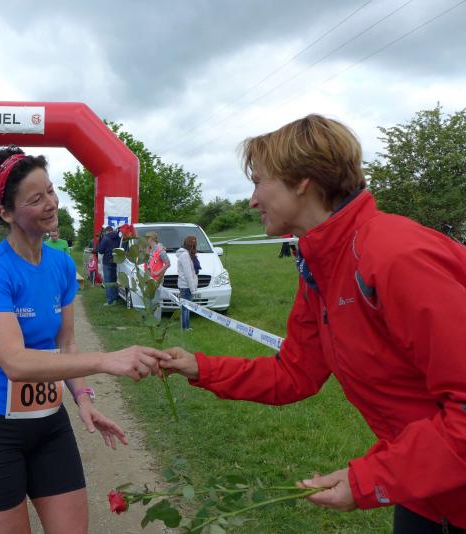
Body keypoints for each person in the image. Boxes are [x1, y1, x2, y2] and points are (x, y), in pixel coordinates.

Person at [160, 114, 466, 533]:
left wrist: (367, 479)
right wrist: (199, 367)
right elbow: (294, 374)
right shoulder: (320, 266)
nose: (252, 201)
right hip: (425, 493)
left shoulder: (394, 255)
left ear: (302, 180)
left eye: (258, 181)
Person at [0, 146, 168, 534]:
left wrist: (83, 398)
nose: (51, 203)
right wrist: (105, 360)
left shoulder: (60, 264)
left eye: (51, 191)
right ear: (6, 213)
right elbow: (16, 362)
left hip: (49, 425)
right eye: (35, 199)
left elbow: (67, 344)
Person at [176, 236, 199, 331]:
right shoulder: (185, 255)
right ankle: (184, 328)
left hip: (186, 286)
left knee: (187, 308)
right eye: (195, 244)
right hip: (186, 286)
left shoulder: (186, 254)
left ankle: (187, 327)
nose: (195, 246)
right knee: (185, 308)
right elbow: (188, 273)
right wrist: (193, 289)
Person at [96, 225, 121, 305]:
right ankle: (115, 298)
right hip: (116, 261)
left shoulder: (105, 238)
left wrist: (100, 240)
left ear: (106, 231)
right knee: (114, 281)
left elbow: (100, 250)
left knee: (108, 281)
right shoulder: (118, 238)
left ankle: (109, 301)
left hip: (107, 262)